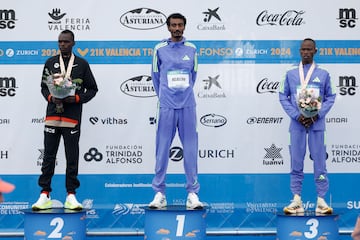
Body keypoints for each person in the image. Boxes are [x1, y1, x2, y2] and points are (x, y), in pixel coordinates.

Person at [32, 30, 98, 210]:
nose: (62, 45)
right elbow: (43, 87)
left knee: (72, 157)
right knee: (48, 157)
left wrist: (77, 99)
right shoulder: (51, 62)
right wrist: (51, 98)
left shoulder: (82, 64)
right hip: (53, 116)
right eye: (60, 42)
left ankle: (71, 195)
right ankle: (44, 194)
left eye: (66, 42)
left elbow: (92, 89)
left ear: (73, 43)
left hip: (72, 118)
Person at [149, 13, 203, 209]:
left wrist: (182, 93)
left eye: (180, 25)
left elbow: (193, 75)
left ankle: (192, 194)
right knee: (162, 150)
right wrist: (166, 96)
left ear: (184, 26)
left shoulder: (192, 49)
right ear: (168, 27)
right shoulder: (159, 49)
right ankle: (159, 193)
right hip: (166, 106)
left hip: (188, 105)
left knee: (190, 150)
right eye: (174, 25)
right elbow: (155, 76)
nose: (177, 28)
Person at [279, 38, 336, 214]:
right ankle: (296, 199)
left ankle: (321, 200)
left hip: (317, 124)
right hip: (297, 125)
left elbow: (331, 97)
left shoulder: (324, 74)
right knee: (296, 161)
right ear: (300, 51)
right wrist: (297, 115)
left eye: (309, 49)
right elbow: (282, 96)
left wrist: (317, 115)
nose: (306, 52)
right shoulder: (290, 74)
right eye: (303, 49)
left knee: (320, 162)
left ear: (315, 51)